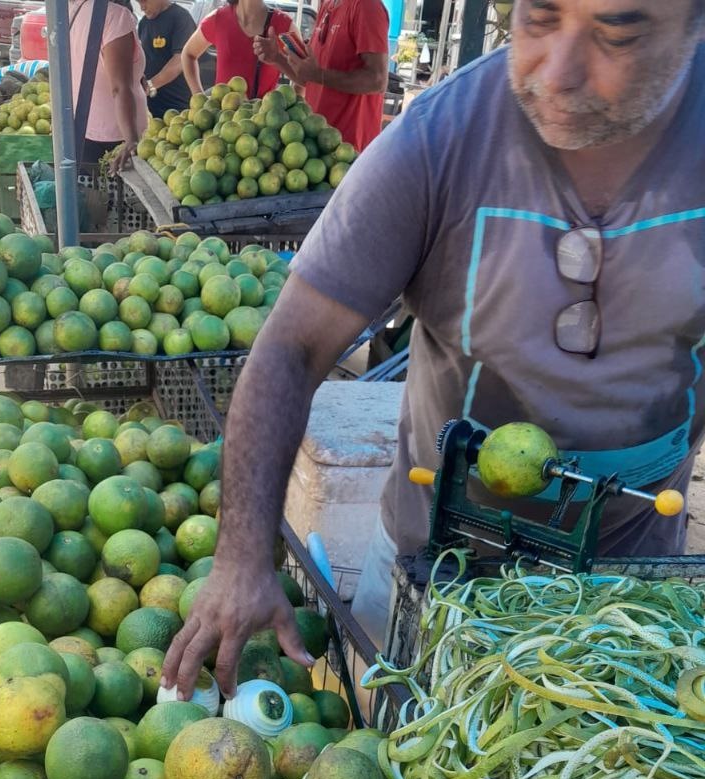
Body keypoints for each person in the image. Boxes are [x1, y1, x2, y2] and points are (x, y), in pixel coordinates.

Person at [161, 0, 705, 701]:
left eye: (618, 32)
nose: (558, 72)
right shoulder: (439, 140)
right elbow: (290, 347)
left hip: (631, 592)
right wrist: (241, 558)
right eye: (539, 18)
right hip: (432, 572)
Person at [253, 0, 390, 151]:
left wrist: (318, 75)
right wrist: (276, 58)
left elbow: (378, 80)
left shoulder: (366, 6)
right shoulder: (327, 5)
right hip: (318, 144)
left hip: (349, 149)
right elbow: (310, 78)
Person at [69, 0, 148, 170]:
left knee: (90, 186)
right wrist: (132, 140)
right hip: (116, 141)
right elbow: (119, 88)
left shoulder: (75, 11)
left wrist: (137, 75)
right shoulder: (116, 16)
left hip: (84, 132)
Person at [181, 0, 298, 99]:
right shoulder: (218, 19)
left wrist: (292, 108)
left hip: (265, 117)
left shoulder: (284, 25)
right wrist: (198, 97)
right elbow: (188, 54)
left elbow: (303, 76)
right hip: (222, 117)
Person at [138, 0, 197, 116]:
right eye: (138, 2)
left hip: (178, 107)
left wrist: (150, 86)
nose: (142, 8)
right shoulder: (143, 23)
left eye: (144, 1)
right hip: (152, 107)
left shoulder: (180, 18)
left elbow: (180, 60)